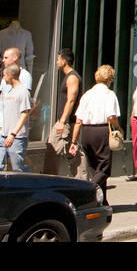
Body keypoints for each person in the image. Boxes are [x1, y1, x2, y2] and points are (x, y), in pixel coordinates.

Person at [69, 65, 122, 205]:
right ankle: (86, 192)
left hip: (86, 132)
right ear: (109, 79)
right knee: (104, 169)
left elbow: (78, 121)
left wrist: (74, 141)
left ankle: (102, 201)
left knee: (94, 168)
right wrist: (118, 128)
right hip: (101, 131)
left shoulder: (87, 94)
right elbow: (111, 116)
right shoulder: (109, 94)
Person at [44, 49, 85, 178]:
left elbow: (71, 100)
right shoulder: (69, 76)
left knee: (56, 150)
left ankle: (49, 179)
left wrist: (62, 121)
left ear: (64, 61)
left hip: (67, 122)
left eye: (58, 59)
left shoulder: (72, 77)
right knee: (71, 152)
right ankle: (81, 180)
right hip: (66, 121)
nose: (56, 62)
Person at [0, 63, 31, 171]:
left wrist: (13, 134)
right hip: (3, 134)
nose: (3, 78)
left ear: (10, 75)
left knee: (17, 168)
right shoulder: (9, 91)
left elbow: (24, 115)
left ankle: (27, 182)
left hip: (17, 137)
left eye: (4, 75)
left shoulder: (23, 92)